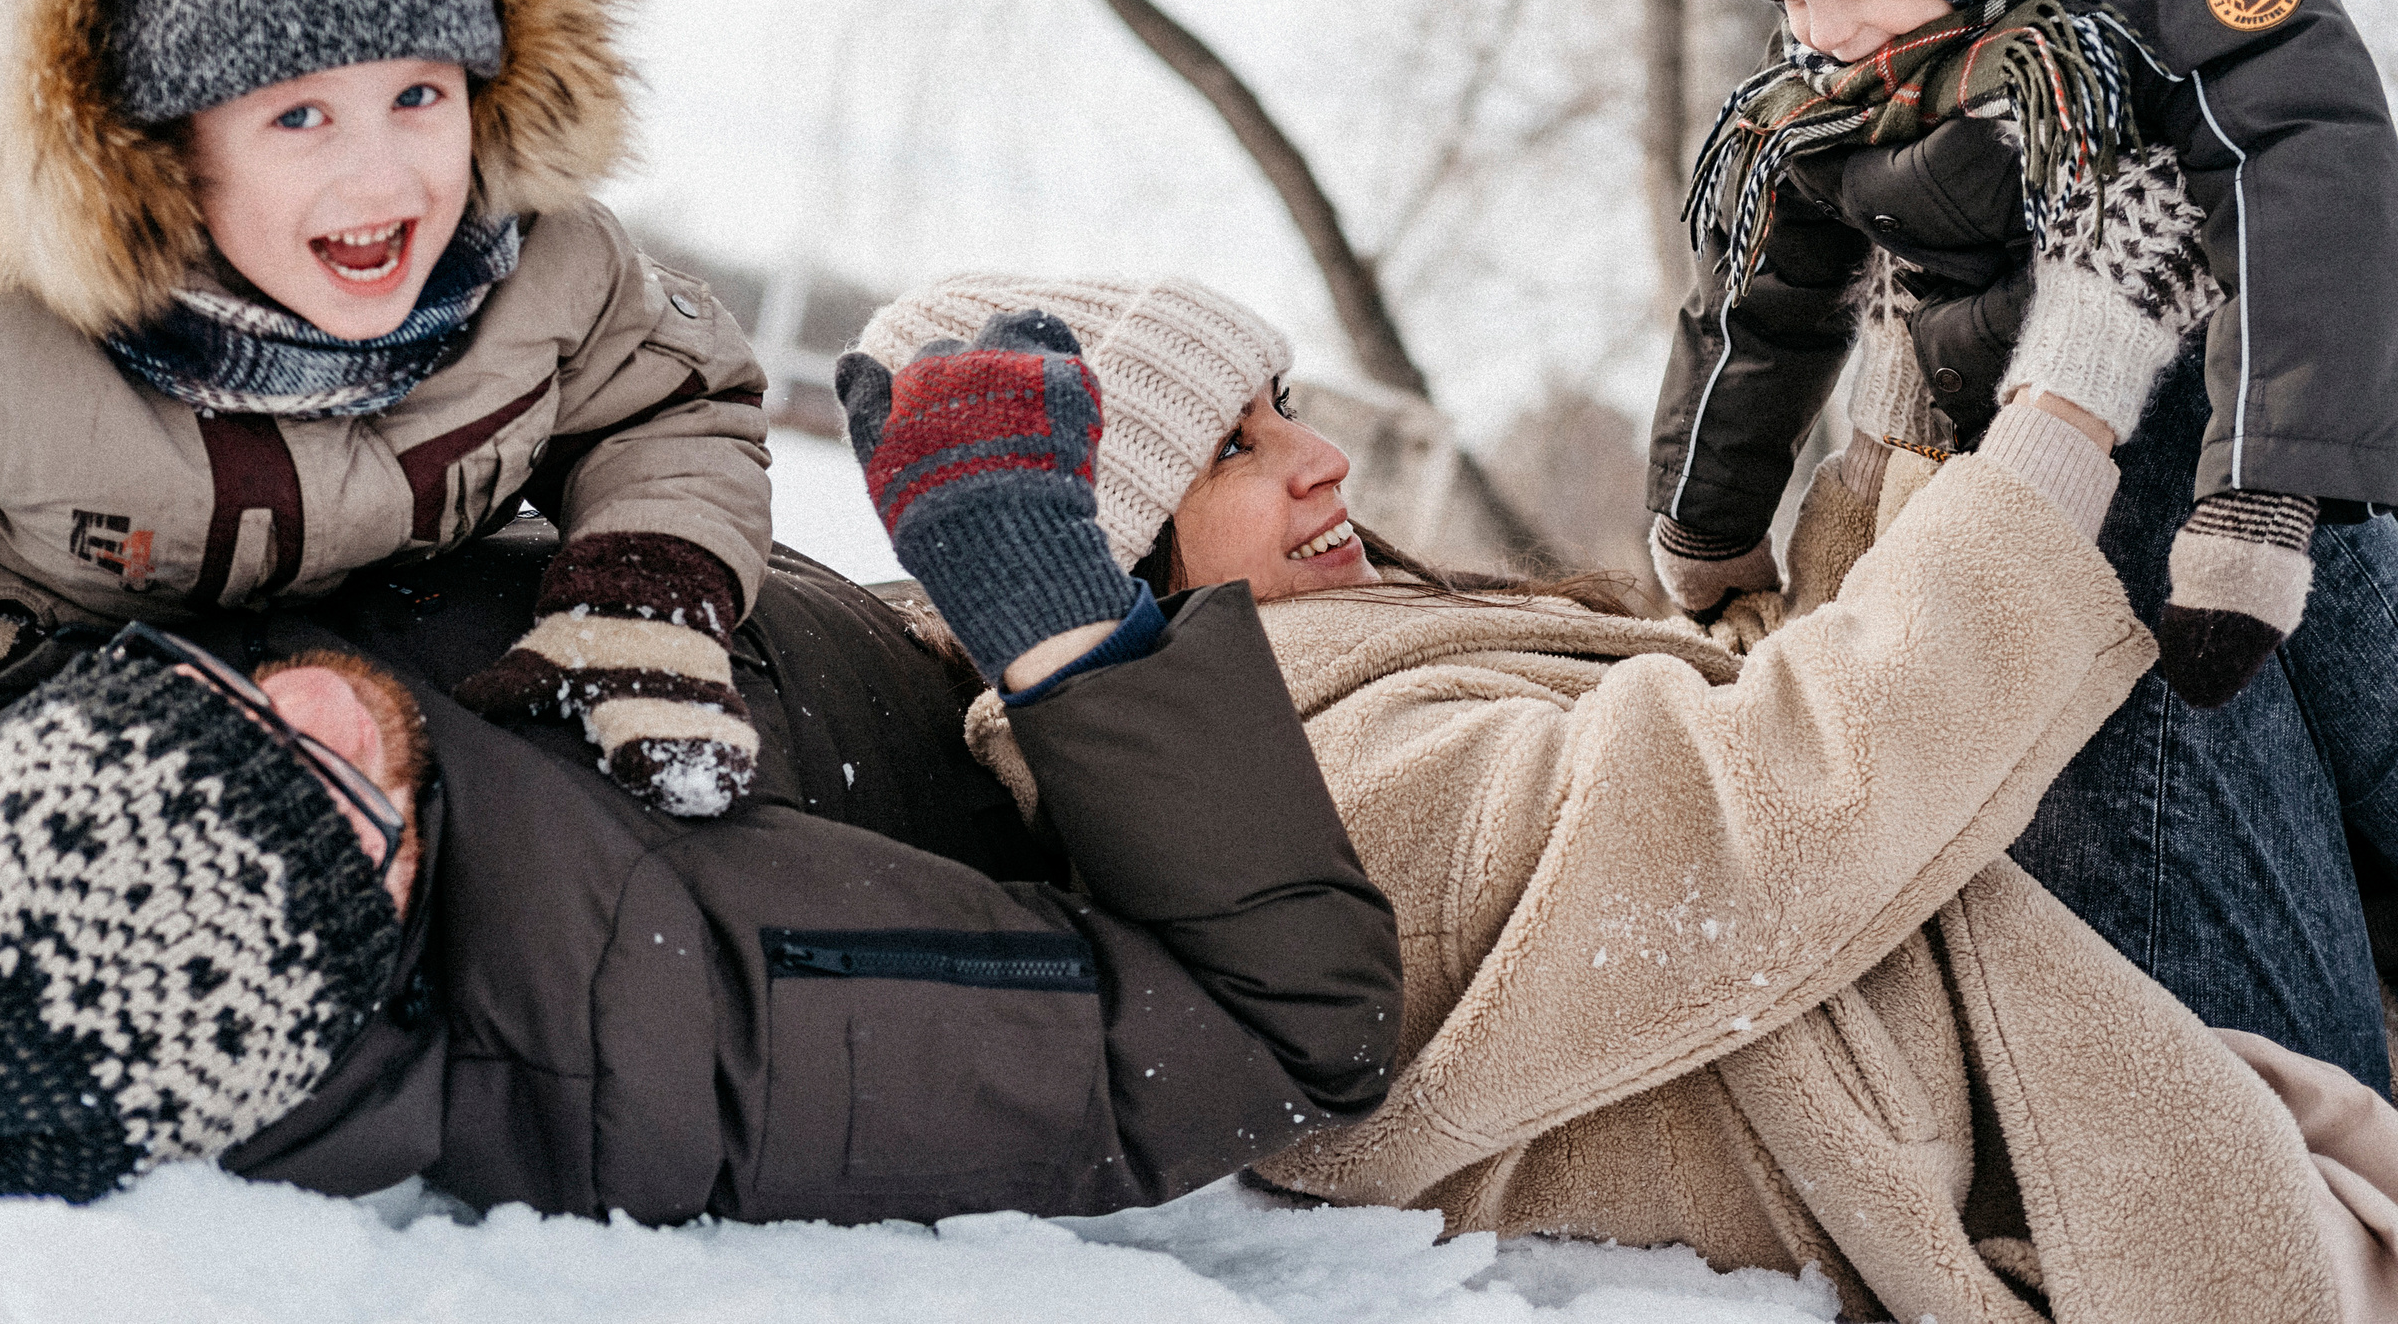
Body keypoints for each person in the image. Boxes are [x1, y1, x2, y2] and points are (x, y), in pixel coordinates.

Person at [851, 251, 2398, 1321]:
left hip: (2083, 1017)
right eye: (1231, 450)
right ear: (1108, 552)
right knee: (2189, 422)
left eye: (1284, 401)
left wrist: (1903, 394)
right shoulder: (1293, 802)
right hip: (2110, 1158)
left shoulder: (1328, 681)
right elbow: (1770, 803)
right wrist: (2063, 403)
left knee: (2213, 436)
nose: (1321, 457)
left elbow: (1749, 696)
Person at [0, 322, 1402, 1220]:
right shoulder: (644, 1016)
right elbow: (1286, 1026)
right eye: (314, 813)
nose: (304, 705)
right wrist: (1056, 608)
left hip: (831, 601)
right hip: (1074, 708)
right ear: (341, 975)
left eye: (212, 711)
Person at [1643, 0, 2398, 1090]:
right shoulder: (1847, 73)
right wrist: (1705, 522)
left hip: (2262, 446)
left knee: (2369, 720)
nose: (1816, 33)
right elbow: (1761, 298)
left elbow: (2308, 156)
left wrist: (2255, 513)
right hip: (2049, 459)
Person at [0, 0, 774, 828]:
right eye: (300, 117)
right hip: (26, 685)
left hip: (344, 715)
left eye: (419, 96)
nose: (382, 183)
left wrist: (645, 588)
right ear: (159, 138)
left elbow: (679, 400)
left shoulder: (543, 270)